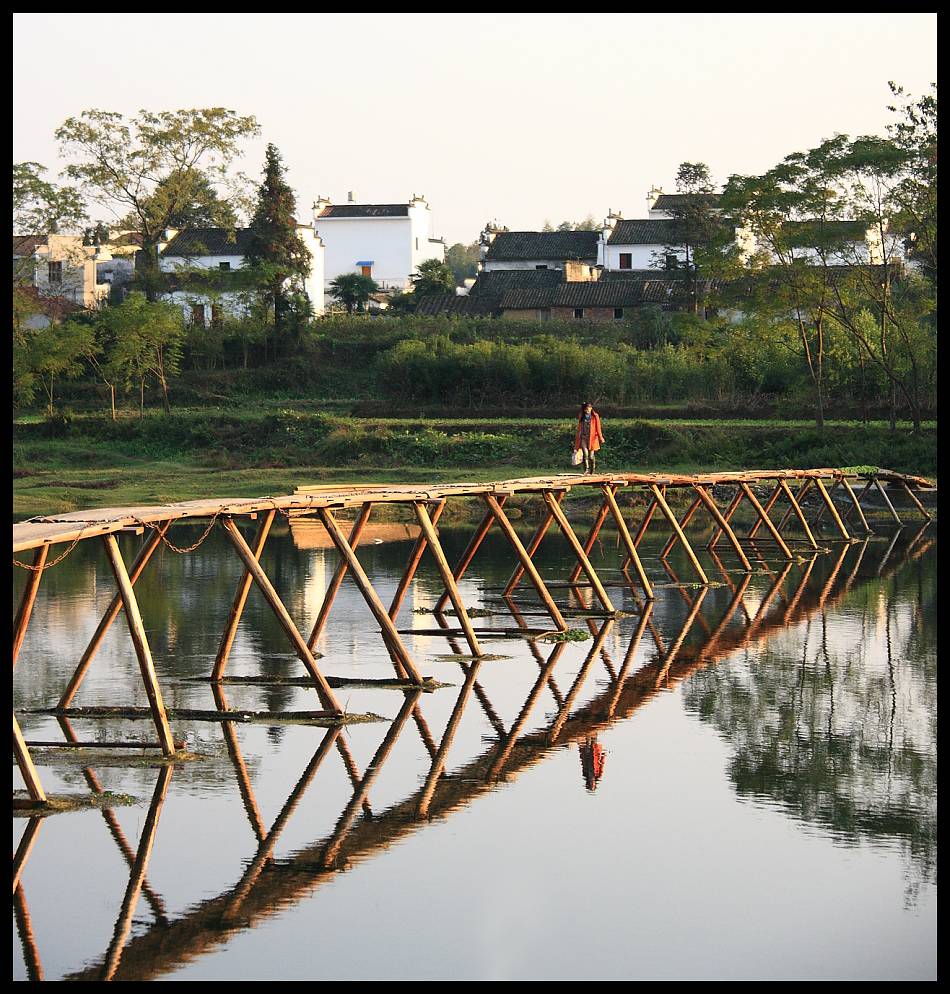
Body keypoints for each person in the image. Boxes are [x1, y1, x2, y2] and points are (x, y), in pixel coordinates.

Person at [574, 401, 604, 475]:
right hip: (583, 437)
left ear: (591, 408)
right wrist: (576, 443)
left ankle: (592, 470)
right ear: (584, 410)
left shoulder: (595, 416)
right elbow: (579, 428)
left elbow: (598, 427)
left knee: (591, 456)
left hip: (592, 439)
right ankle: (586, 470)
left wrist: (601, 437)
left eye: (589, 409)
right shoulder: (582, 416)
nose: (587, 410)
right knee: (585, 454)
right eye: (586, 409)